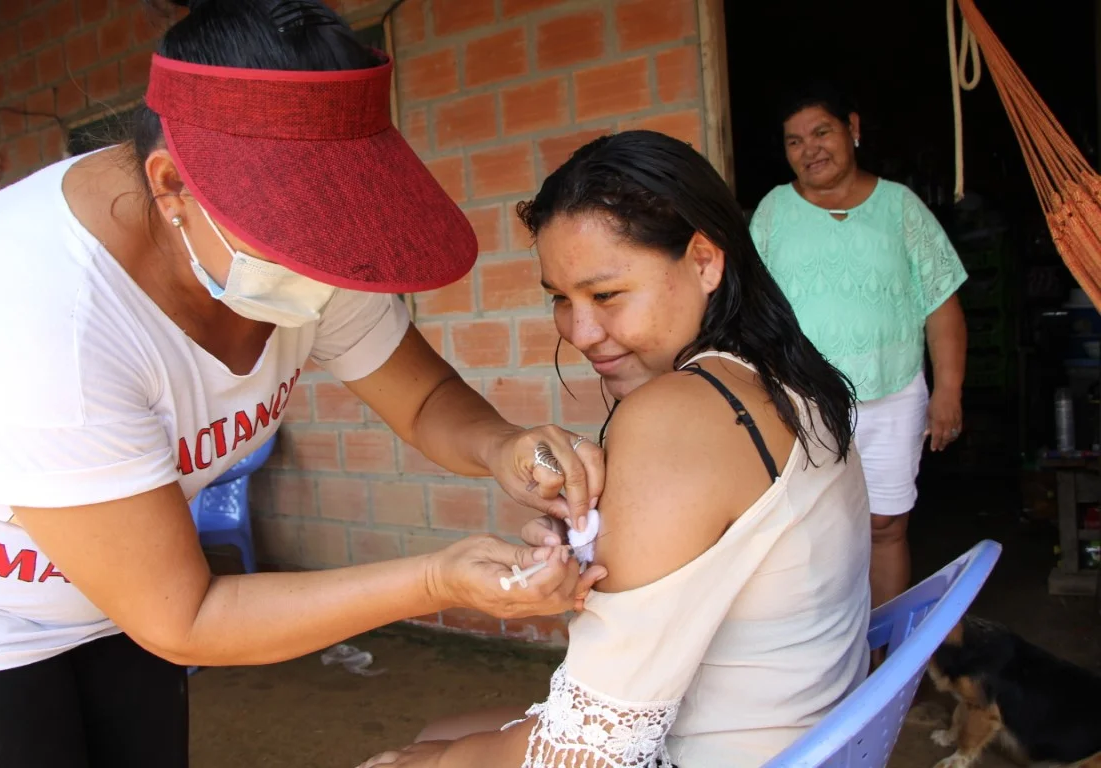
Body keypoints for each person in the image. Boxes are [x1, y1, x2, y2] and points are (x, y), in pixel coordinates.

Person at [0, 3, 608, 766]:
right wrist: (437, 581)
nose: (329, 274)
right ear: (170, 187)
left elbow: (424, 401)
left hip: (116, 607)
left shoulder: (305, 241)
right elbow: (186, 616)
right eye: (296, 241)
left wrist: (504, 447)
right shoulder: (42, 321)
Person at [356, 131, 872, 768]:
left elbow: (590, 752)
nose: (581, 331)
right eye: (559, 298)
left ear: (705, 261)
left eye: (605, 295)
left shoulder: (677, 413)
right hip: (809, 740)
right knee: (447, 729)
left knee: (422, 751)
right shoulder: (791, 380)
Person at [750, 83, 969, 610]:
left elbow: (941, 304)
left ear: (853, 128)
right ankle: (829, 654)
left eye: (822, 132)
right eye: (794, 141)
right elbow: (748, 311)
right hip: (800, 402)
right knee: (808, 533)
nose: (810, 149)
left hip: (893, 394)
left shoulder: (900, 207)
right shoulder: (773, 213)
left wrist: (949, 392)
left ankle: (881, 658)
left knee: (886, 526)